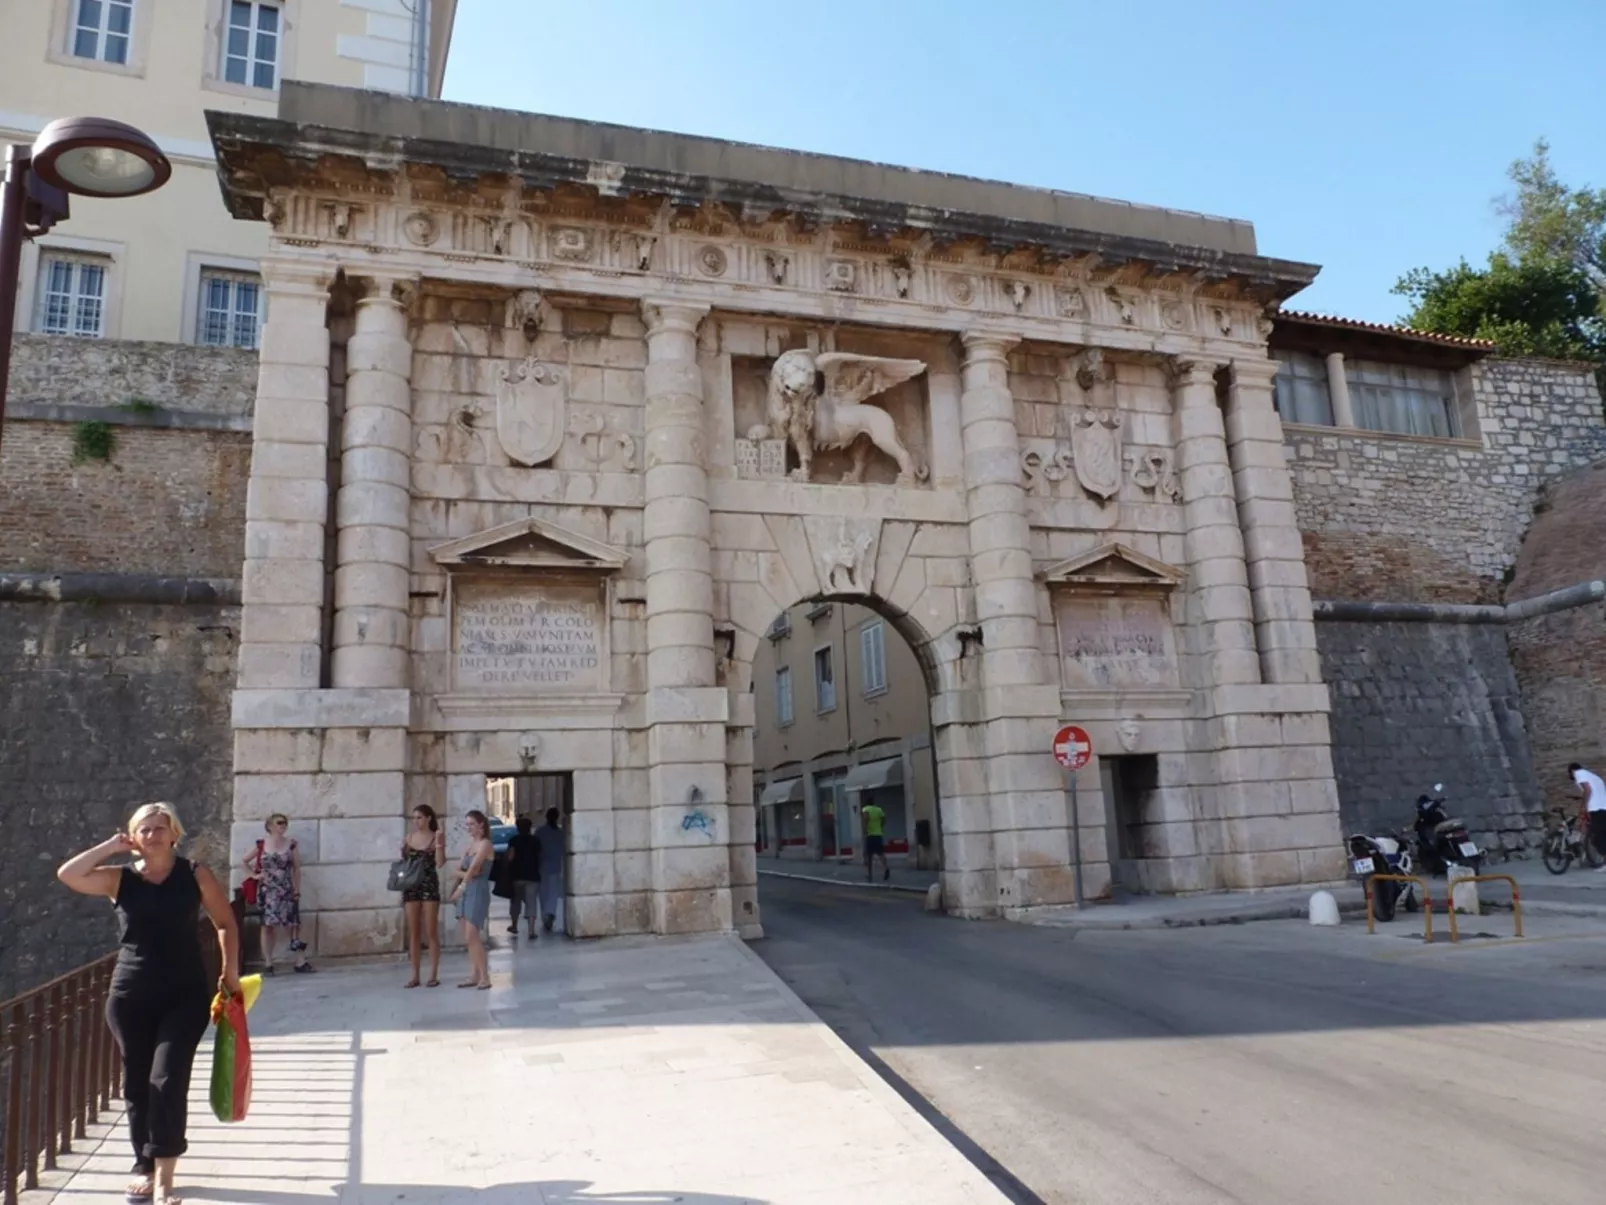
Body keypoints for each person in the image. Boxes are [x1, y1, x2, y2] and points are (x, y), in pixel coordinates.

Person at [57, 803, 240, 1205]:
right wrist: (109, 846)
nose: (153, 835)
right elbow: (68, 875)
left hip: (185, 994)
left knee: (167, 1077)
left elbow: (225, 922)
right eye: (144, 829)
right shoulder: (118, 880)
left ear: (175, 834)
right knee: (137, 1083)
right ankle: (142, 1162)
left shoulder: (194, 875)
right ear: (133, 837)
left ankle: (164, 1177)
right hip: (130, 995)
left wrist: (229, 972)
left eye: (160, 828)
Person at [243, 814, 313, 975]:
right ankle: (268, 963)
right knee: (267, 926)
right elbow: (245, 861)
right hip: (268, 891)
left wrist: (297, 889)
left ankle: (300, 961)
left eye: (285, 823)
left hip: (286, 889)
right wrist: (254, 876)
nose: (283, 826)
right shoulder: (261, 844)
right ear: (270, 826)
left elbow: (296, 868)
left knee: (293, 925)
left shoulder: (291, 844)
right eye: (279, 823)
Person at [400, 804, 446, 989]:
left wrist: (440, 843)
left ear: (428, 818)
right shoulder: (408, 838)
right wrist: (402, 849)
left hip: (429, 886)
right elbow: (404, 864)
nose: (416, 821)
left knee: (431, 931)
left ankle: (433, 974)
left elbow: (440, 863)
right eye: (414, 818)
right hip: (411, 887)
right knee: (414, 932)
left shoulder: (435, 837)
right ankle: (415, 975)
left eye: (419, 817)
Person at [450, 810, 494, 988]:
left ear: (481, 825)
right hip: (468, 889)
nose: (469, 828)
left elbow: (475, 867)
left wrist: (462, 883)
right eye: (467, 824)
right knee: (468, 938)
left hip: (477, 891)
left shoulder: (486, 844)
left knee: (473, 934)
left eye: (472, 824)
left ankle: (485, 976)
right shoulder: (469, 847)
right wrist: (467, 875)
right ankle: (474, 974)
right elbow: (461, 869)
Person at [505, 816, 542, 939]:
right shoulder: (536, 840)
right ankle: (531, 930)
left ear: (518, 828)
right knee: (531, 903)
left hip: (517, 876)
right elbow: (541, 856)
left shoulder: (514, 840)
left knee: (515, 902)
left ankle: (514, 925)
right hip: (533, 876)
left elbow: (510, 857)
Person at [535, 808, 565, 934]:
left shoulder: (540, 832)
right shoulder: (560, 832)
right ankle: (550, 913)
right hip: (555, 866)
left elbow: (536, 849)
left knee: (543, 893)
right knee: (553, 892)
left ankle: (545, 916)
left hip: (542, 865)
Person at [1570, 762, 1606, 870]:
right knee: (1602, 834)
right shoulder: (1594, 777)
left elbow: (1587, 789)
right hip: (1603, 807)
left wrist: (1583, 807)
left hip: (1595, 808)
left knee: (1597, 836)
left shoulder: (1578, 773)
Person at [861, 799, 890, 882]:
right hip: (878, 834)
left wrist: (865, 829)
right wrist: (880, 826)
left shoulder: (866, 809)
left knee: (869, 855)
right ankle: (886, 868)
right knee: (881, 853)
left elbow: (865, 819)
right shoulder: (879, 809)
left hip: (870, 835)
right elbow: (884, 819)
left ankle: (869, 875)